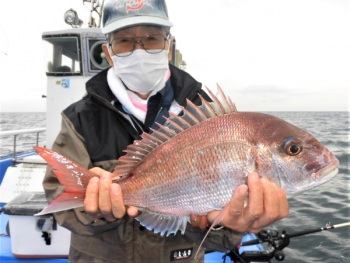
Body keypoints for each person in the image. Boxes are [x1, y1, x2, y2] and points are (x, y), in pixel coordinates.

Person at [43, 0, 289, 262]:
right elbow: (61, 201)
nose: (139, 49)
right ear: (108, 51)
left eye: (152, 38)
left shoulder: (202, 109)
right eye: (124, 41)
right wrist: (99, 210)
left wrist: (227, 224)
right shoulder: (79, 117)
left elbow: (218, 237)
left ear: (169, 46)